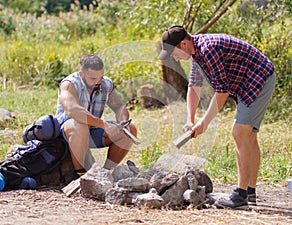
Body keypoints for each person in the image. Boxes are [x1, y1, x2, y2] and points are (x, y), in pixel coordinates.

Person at [159, 25, 276, 209]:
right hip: (245, 82)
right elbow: (194, 86)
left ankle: (240, 194)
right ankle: (250, 191)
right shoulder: (196, 54)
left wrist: (204, 123)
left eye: (174, 53)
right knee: (248, 136)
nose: (175, 57)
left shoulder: (208, 49)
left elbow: (222, 92)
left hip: (258, 78)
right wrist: (191, 119)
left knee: (239, 133)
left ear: (183, 43)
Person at [56, 54, 137, 176]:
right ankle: (81, 176)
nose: (98, 81)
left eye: (101, 77)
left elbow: (119, 106)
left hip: (92, 131)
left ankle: (106, 174)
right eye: (93, 79)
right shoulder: (69, 84)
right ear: (82, 74)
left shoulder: (106, 84)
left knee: (129, 130)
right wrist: (104, 125)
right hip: (68, 132)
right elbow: (73, 111)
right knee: (80, 125)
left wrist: (123, 123)